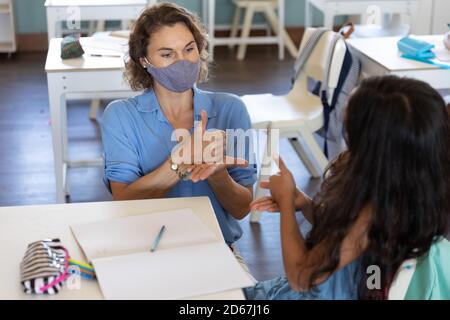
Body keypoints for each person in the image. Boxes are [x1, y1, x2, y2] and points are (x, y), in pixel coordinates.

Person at [247, 76, 450, 299]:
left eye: (350, 131)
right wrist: (305, 203)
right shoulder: (407, 198)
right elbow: (344, 239)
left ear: (373, 148)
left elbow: (300, 278)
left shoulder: (371, 215)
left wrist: (285, 201)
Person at [100, 3, 257, 250]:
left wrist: (218, 174)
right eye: (167, 54)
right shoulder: (120, 116)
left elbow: (242, 209)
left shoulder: (231, 110)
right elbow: (124, 201)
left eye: (189, 49)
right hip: (145, 249)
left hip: (216, 249)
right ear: (143, 60)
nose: (182, 62)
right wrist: (180, 161)